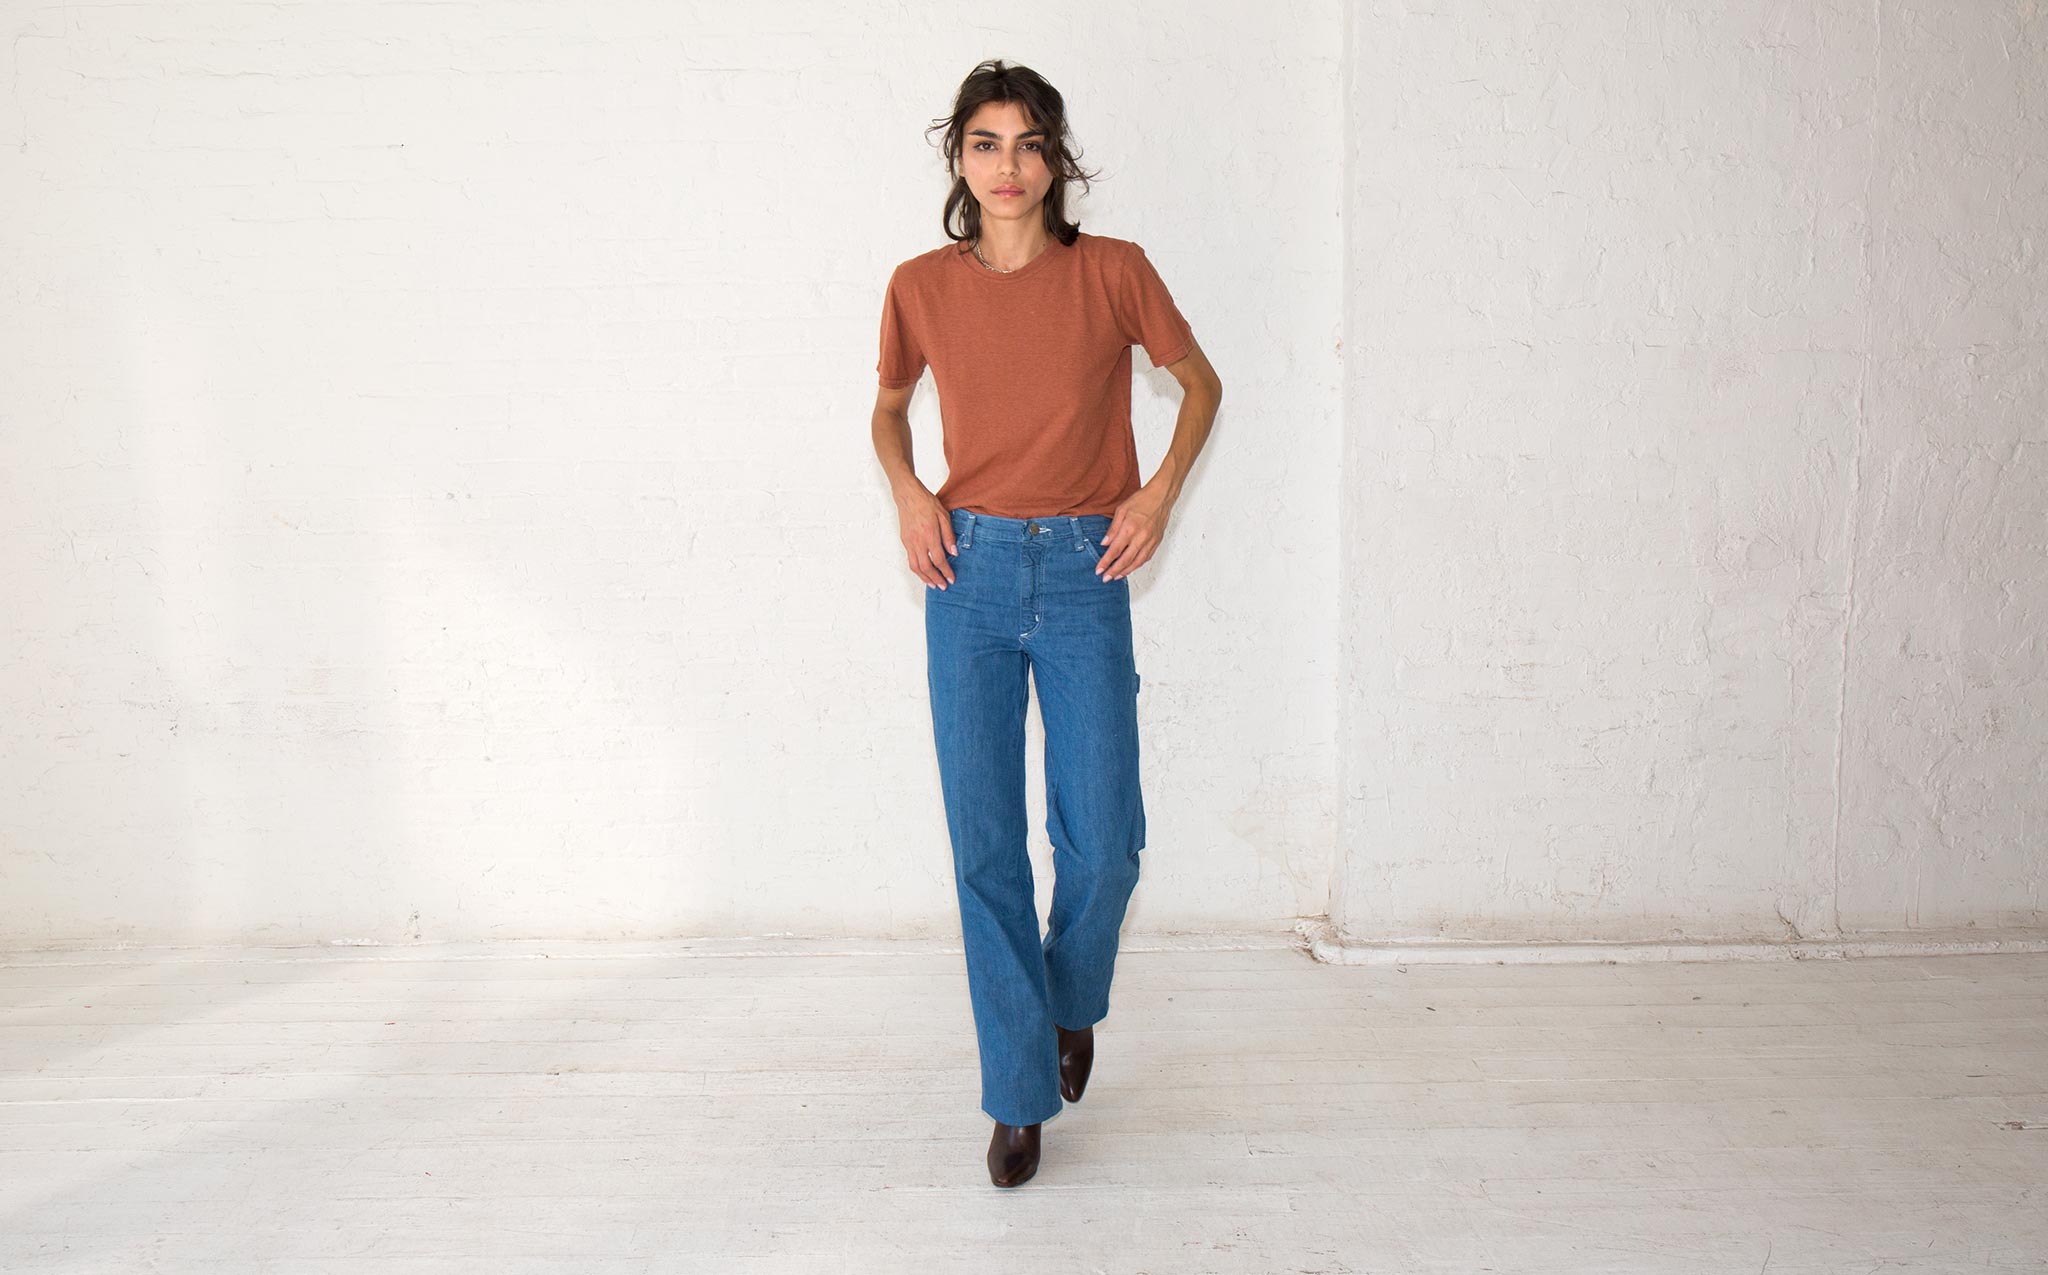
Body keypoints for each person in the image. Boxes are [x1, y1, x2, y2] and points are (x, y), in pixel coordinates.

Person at [870, 59, 1222, 1188]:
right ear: (958, 158)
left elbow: (1200, 385)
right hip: (964, 571)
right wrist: (909, 492)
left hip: (1082, 568)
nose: (1007, 166)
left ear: (1055, 158)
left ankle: (1070, 999)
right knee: (985, 848)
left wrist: (1155, 494)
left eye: (1028, 143)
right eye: (985, 143)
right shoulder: (919, 285)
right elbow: (887, 410)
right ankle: (1016, 1095)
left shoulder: (1112, 272)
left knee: (1103, 841)